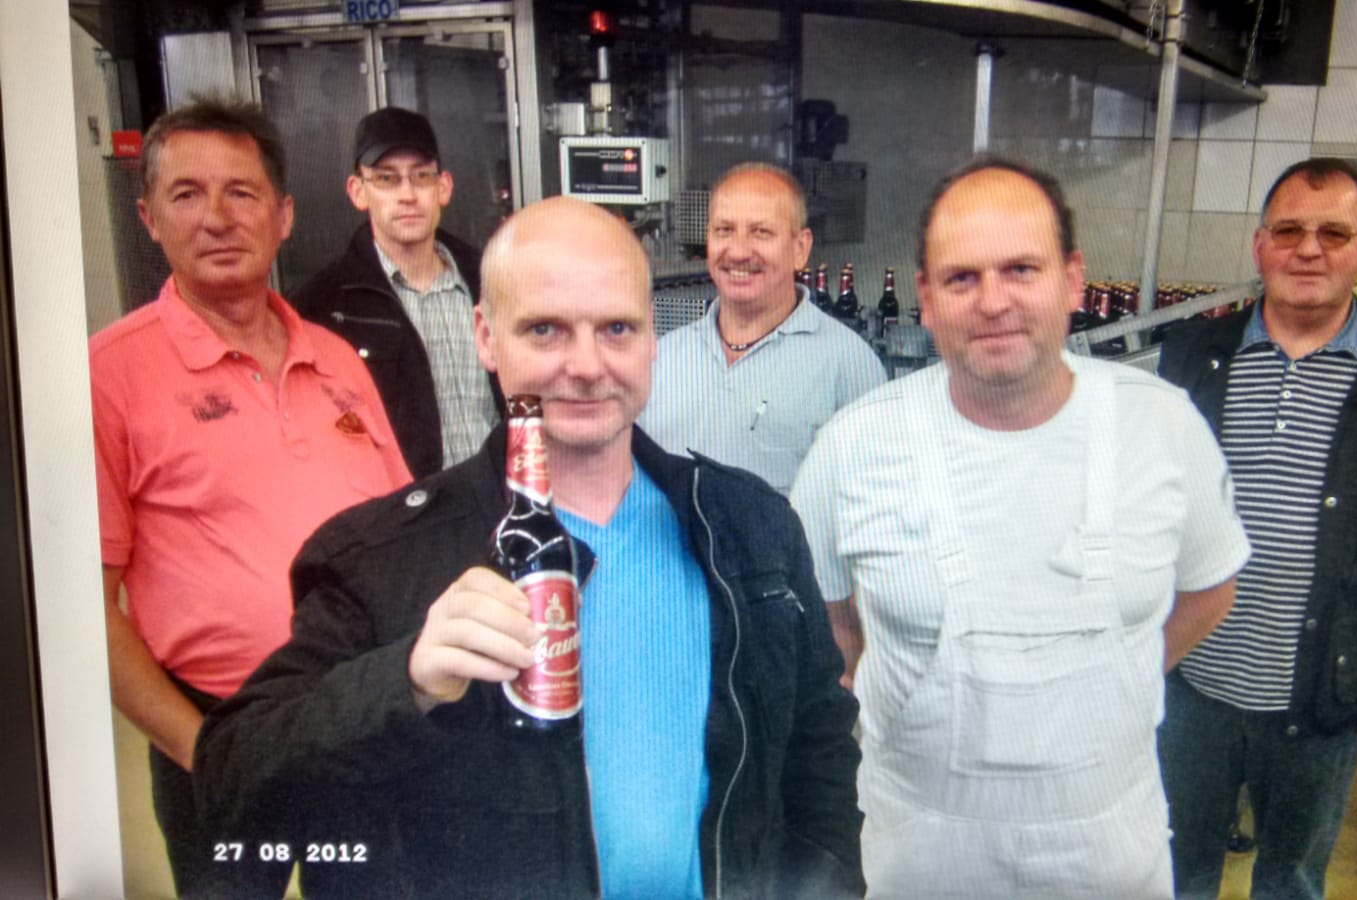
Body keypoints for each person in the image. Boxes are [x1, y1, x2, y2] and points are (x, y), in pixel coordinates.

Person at [194, 196, 865, 898]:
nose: (586, 364)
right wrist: (404, 680)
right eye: (545, 330)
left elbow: (818, 751)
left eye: (617, 329)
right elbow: (232, 775)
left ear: (651, 338)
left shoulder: (749, 529)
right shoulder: (381, 559)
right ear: (486, 336)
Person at [789, 157, 1250, 898]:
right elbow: (833, 629)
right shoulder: (854, 446)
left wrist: (1112, 678)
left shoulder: (1162, 429)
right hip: (921, 852)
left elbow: (1210, 589)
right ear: (926, 298)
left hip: (1107, 853)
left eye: (1021, 270)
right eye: (962, 278)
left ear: (1072, 280)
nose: (993, 301)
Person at [90, 97, 411, 897]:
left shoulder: (336, 358)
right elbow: (83, 609)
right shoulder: (108, 375)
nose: (217, 218)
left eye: (241, 192)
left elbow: (400, 535)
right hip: (213, 730)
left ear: (283, 216)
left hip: (350, 724)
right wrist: (202, 750)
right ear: (148, 218)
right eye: (186, 194)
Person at [1156, 158, 1357, 900]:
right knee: (1171, 871)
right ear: (1259, 245)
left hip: (1325, 684)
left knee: (1293, 878)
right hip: (1190, 672)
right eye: (1289, 231)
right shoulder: (1192, 356)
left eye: (1333, 234)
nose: (1308, 250)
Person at [639, 162, 885, 495]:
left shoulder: (850, 365)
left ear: (800, 249)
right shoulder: (660, 358)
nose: (739, 251)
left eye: (761, 232)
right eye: (724, 230)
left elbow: (870, 502)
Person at [292, 106, 501, 478]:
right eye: (386, 179)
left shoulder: (491, 280)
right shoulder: (325, 306)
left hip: (496, 500)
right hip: (399, 509)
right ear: (358, 191)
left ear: (443, 187)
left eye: (421, 176)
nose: (407, 194)